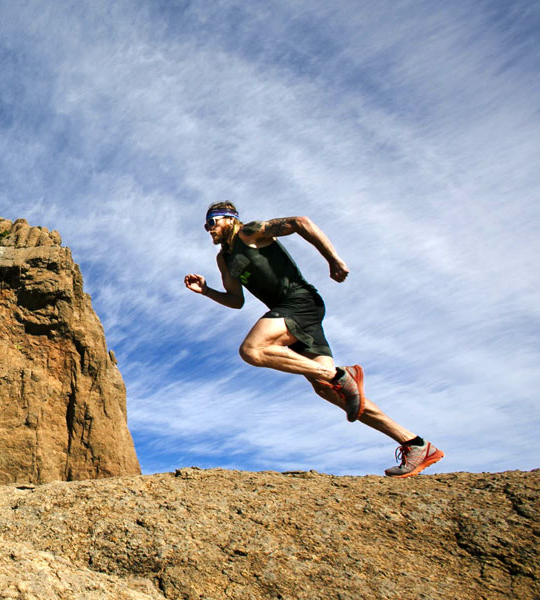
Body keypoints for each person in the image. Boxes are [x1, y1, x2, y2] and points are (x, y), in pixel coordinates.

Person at [183, 201, 443, 478]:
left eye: (211, 222)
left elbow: (300, 222)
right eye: (205, 225)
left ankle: (337, 373)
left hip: (300, 301)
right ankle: (414, 444)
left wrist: (333, 259)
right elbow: (236, 301)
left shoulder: (250, 232)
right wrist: (206, 290)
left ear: (228, 220)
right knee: (331, 390)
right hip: (290, 316)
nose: (207, 229)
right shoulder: (224, 259)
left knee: (252, 350)